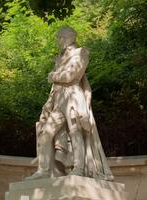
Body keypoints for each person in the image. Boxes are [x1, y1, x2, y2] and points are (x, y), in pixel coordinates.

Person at [27, 27, 113, 181]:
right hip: (59, 99)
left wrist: (53, 75)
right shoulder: (61, 57)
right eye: (58, 38)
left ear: (70, 37)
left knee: (75, 132)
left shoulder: (81, 52)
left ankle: (78, 168)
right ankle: (43, 170)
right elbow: (58, 84)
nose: (59, 41)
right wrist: (49, 103)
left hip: (73, 96)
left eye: (62, 37)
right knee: (46, 133)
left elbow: (70, 76)